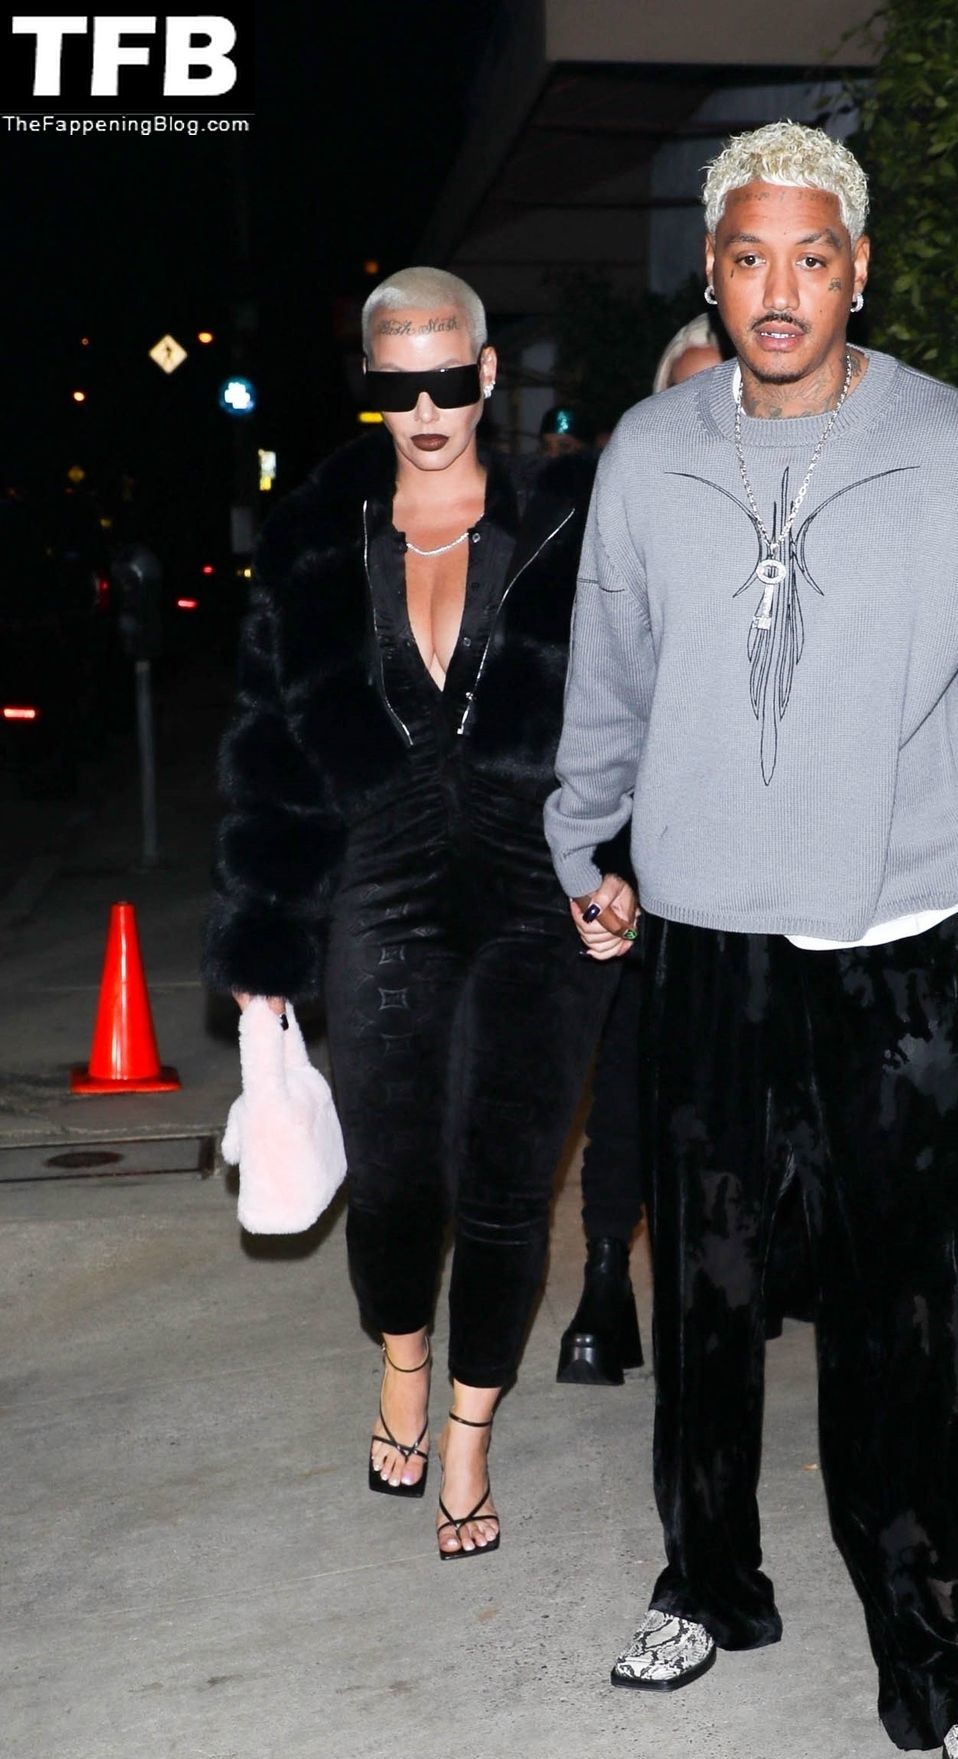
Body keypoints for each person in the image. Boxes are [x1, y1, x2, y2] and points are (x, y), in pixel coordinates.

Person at [546, 120, 958, 1759]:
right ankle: (709, 1579)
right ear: (711, 269)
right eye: (750, 257)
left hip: (886, 957)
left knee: (911, 1329)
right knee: (707, 1298)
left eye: (812, 258)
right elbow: (608, 672)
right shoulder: (648, 454)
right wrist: (582, 840)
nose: (781, 291)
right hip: (703, 945)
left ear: (860, 272)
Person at [204, 266, 624, 1557]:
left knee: (506, 1184)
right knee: (392, 1177)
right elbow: (268, 743)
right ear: (374, 390)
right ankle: (400, 1358)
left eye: (449, 380)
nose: (429, 410)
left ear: (486, 375)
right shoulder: (315, 537)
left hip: (538, 889)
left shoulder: (572, 520)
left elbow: (638, 704)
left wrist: (621, 861)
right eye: (402, 387)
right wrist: (267, 933)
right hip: (379, 883)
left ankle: (470, 1432)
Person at [557, 314, 730, 1386]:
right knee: (627, 1067)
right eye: (687, 394)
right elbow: (583, 703)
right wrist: (588, 858)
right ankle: (601, 1285)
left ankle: (714, 1279)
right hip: (636, 847)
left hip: (751, 856)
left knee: (729, 1079)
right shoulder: (615, 521)